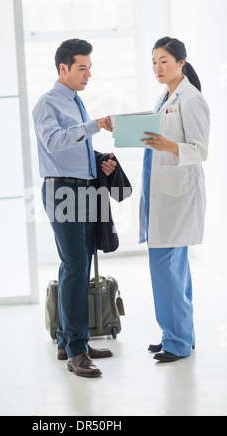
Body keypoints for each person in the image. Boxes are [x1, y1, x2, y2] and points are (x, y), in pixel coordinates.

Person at [33, 39, 116, 378]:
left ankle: (68, 341)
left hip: (81, 188)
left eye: (90, 67)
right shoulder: (47, 103)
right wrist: (94, 125)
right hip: (62, 191)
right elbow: (53, 142)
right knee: (75, 263)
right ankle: (78, 352)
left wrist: (98, 161)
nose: (88, 74)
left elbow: (73, 150)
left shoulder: (77, 102)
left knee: (77, 265)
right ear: (63, 69)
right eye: (82, 67)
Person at [139, 37, 210, 363]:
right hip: (162, 192)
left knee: (166, 269)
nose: (157, 67)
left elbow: (200, 149)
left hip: (177, 196)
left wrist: (168, 146)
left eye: (164, 61)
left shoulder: (191, 99)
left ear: (181, 63)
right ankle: (179, 335)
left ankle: (178, 341)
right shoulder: (164, 96)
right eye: (154, 61)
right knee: (174, 270)